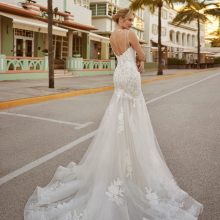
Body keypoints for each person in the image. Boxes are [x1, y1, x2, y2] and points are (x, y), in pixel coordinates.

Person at [24, 8, 203, 220]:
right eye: (128, 20)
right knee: (134, 115)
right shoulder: (131, 34)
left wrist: (133, 59)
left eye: (132, 20)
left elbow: (120, 54)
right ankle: (133, 159)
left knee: (119, 111)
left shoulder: (111, 35)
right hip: (130, 76)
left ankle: (121, 156)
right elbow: (143, 54)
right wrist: (140, 60)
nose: (131, 23)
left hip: (119, 74)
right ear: (120, 19)